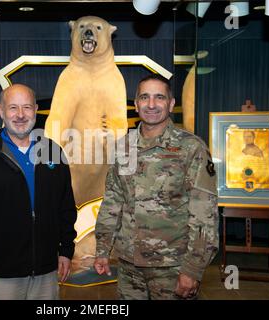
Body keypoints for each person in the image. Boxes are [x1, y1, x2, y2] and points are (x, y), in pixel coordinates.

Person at [93, 74, 219, 300]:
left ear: (170, 104)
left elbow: (204, 216)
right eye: (145, 97)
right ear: (135, 103)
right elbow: (113, 201)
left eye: (159, 97)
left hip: (172, 268)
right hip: (129, 266)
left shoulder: (191, 148)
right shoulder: (124, 146)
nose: (151, 105)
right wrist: (102, 250)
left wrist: (193, 270)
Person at [0, 84, 77, 300]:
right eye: (13, 108)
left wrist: (66, 250)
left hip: (46, 274)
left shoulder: (53, 152)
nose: (20, 115)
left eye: (27, 107)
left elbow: (66, 208)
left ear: (36, 110)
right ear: (1, 111)